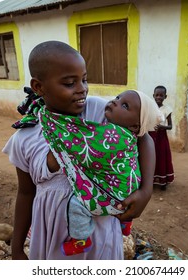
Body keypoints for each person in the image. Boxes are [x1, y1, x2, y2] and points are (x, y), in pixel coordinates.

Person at [2, 41, 155, 260]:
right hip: (52, 235)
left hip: (100, 231)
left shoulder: (97, 111)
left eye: (84, 79)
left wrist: (146, 190)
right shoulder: (25, 137)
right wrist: (16, 248)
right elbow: (26, 192)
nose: (81, 89)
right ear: (38, 87)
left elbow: (143, 137)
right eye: (69, 83)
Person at [39, 89, 163, 255]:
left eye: (124, 105)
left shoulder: (111, 134)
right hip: (131, 189)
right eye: (118, 97)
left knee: (76, 205)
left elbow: (80, 142)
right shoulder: (129, 135)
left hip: (116, 194)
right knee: (122, 204)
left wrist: (52, 125)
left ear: (135, 125)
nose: (114, 102)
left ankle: (81, 239)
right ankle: (126, 223)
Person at [148, 85, 175, 191]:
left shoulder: (167, 110)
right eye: (157, 95)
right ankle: (151, 181)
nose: (159, 97)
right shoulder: (150, 108)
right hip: (151, 135)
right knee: (150, 157)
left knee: (162, 157)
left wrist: (161, 127)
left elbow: (170, 126)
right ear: (153, 95)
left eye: (161, 95)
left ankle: (163, 181)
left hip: (161, 137)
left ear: (165, 97)